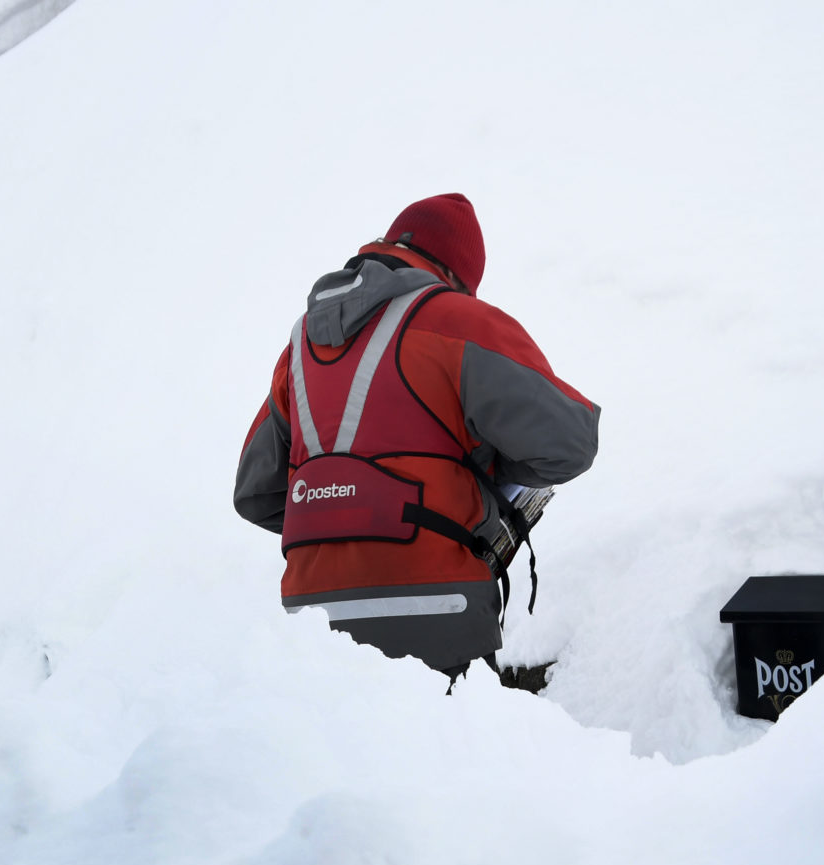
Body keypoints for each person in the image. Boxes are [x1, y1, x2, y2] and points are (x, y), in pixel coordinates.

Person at [233, 193, 600, 680]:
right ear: (460, 275)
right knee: (449, 753)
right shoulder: (458, 321)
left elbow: (255, 494)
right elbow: (571, 442)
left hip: (312, 624)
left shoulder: (300, 348)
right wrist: (477, 475)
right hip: (438, 608)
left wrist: (344, 514)